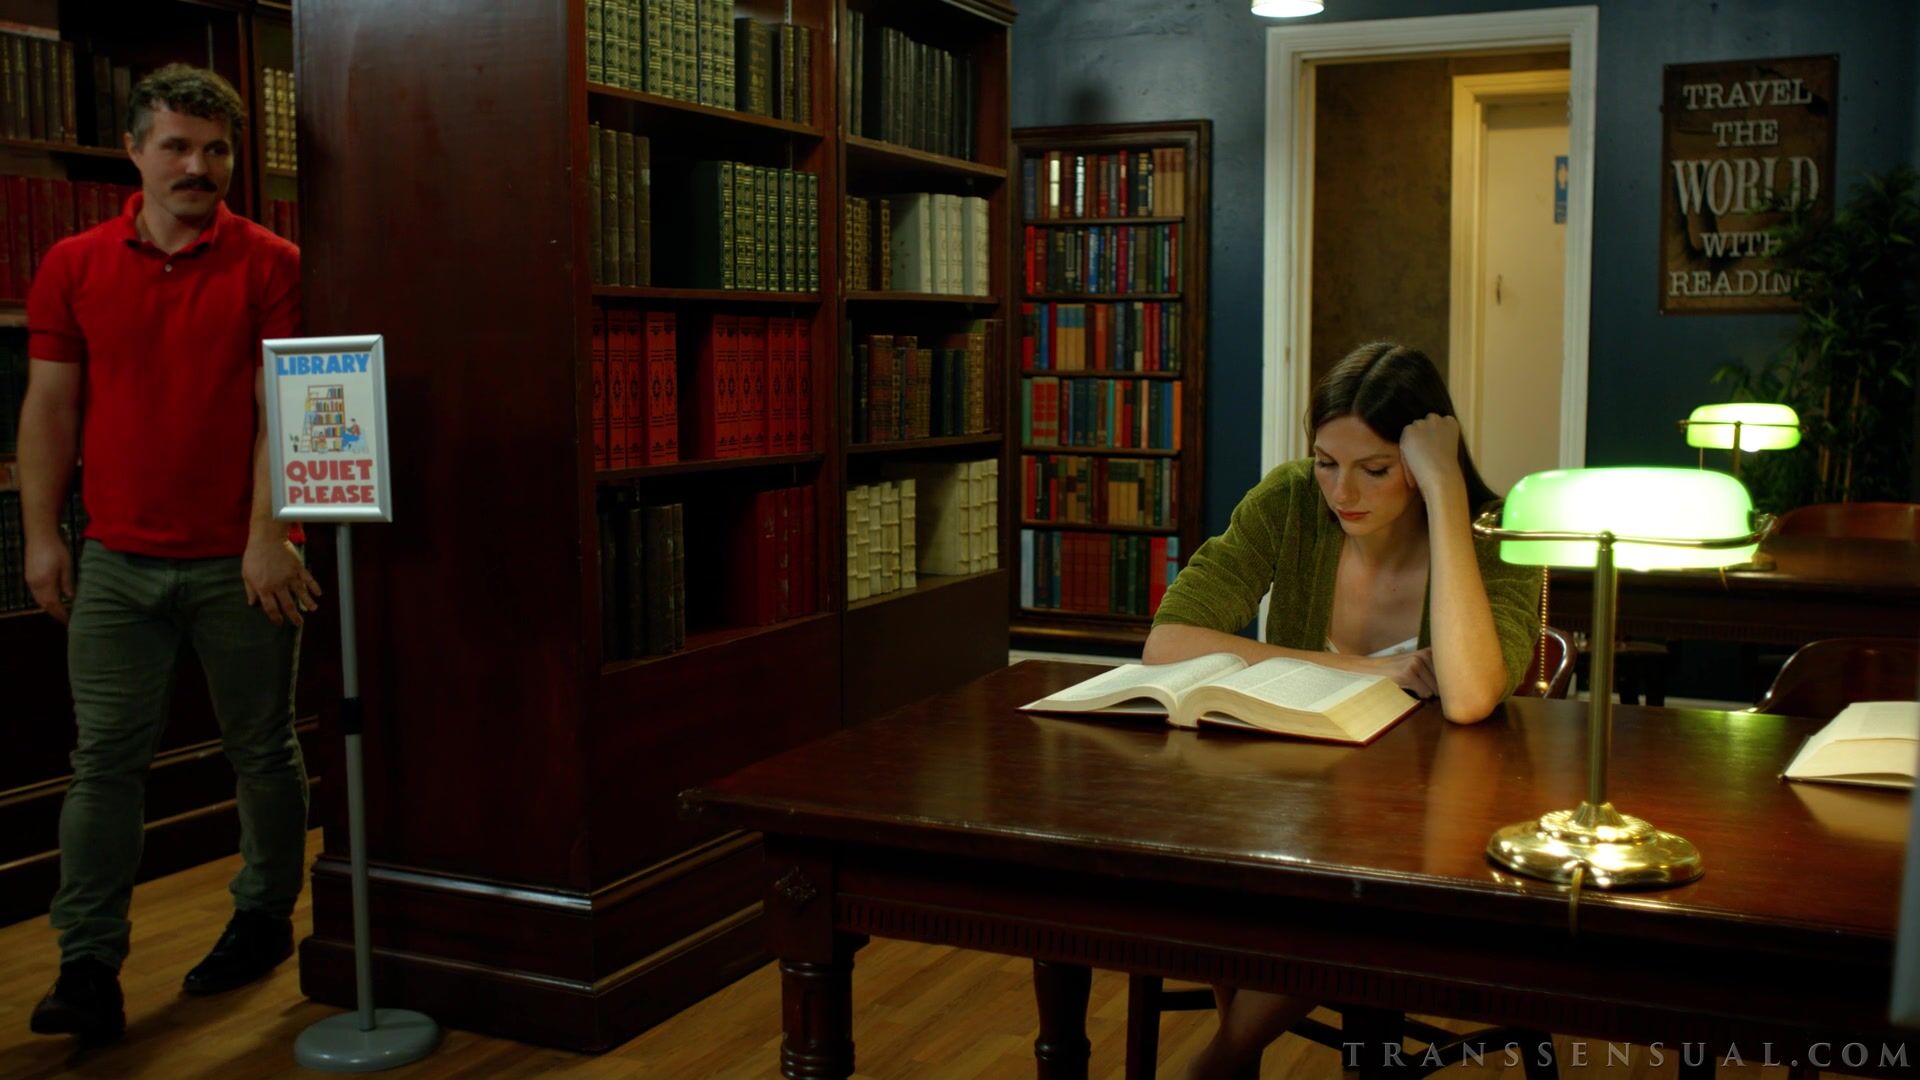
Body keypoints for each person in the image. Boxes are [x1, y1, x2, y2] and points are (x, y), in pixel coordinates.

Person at [19, 64, 318, 1044]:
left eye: (217, 149)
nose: (199, 165)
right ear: (135, 152)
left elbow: (286, 409)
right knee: (103, 761)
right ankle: (87, 966)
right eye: (178, 146)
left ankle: (263, 917)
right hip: (116, 558)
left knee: (261, 748)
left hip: (243, 561)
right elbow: (51, 406)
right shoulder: (72, 263)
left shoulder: (272, 261)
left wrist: (270, 535)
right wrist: (42, 535)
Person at [1143, 341, 1538, 1079]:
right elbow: (1167, 642)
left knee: (1350, 896)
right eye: (1327, 462)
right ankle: (1232, 1056)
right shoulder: (1293, 500)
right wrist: (1363, 667)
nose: (1342, 491)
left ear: (1418, 463)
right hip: (1291, 796)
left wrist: (1446, 494)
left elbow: (1468, 697)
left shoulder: (1493, 528)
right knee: (1212, 868)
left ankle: (1223, 1059)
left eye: (1376, 469)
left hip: (1428, 819)